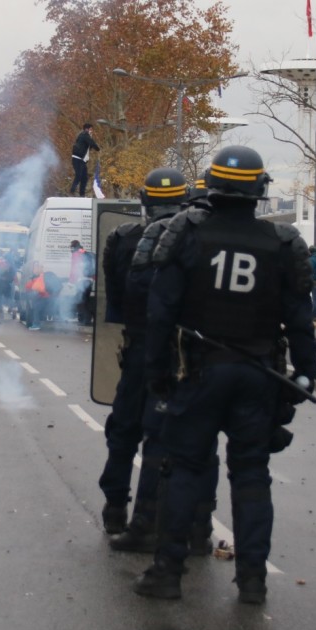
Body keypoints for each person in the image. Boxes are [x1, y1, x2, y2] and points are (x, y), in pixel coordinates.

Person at [134, 145, 316, 603]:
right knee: (252, 475)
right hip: (258, 376)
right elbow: (300, 319)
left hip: (199, 374)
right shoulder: (282, 242)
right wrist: (305, 375)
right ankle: (253, 581)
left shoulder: (185, 232)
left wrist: (156, 374)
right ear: (259, 191)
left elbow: (160, 312)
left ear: (211, 186)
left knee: (184, 469)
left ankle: (167, 573)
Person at [98, 167, 216, 554]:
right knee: (187, 439)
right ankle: (195, 525)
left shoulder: (122, 238)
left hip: (139, 349)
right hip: (185, 353)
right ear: (184, 200)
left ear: (144, 201)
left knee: (124, 431)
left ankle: (116, 509)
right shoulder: (196, 239)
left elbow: (116, 303)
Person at [69, 123, 100, 197]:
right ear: (87, 129)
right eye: (91, 129)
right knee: (78, 175)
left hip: (82, 160)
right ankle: (72, 190)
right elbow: (92, 143)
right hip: (77, 159)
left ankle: (82, 194)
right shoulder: (84, 135)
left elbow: (89, 146)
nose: (92, 131)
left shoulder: (85, 136)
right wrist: (98, 149)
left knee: (84, 177)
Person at [68, 240, 94, 326]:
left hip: (81, 281)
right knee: (86, 300)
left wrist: (71, 282)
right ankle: (86, 319)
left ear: (73, 247)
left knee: (81, 301)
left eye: (71, 247)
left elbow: (74, 269)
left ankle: (84, 320)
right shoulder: (85, 252)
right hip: (89, 280)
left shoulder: (76, 254)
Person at [23, 261, 49, 330]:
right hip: (47, 296)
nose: (34, 269)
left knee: (36, 309)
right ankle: (40, 323)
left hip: (42, 296)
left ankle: (36, 325)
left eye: (36, 267)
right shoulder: (44, 276)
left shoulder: (38, 278)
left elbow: (29, 287)